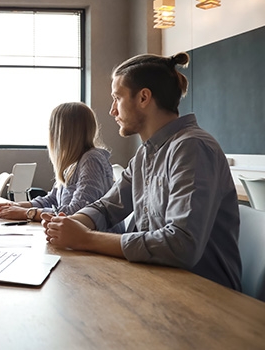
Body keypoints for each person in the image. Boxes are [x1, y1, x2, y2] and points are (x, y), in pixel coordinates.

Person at [42, 52, 241, 290]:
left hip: (204, 294)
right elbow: (107, 207)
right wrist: (70, 223)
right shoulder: (145, 155)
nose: (112, 111)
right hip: (156, 281)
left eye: (117, 98)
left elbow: (181, 245)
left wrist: (86, 238)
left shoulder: (191, 147)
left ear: (144, 97)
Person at [0, 102, 118, 232]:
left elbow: (76, 213)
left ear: (60, 132)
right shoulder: (73, 162)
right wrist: (16, 206)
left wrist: (28, 213)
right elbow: (52, 199)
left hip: (93, 244)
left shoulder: (91, 159)